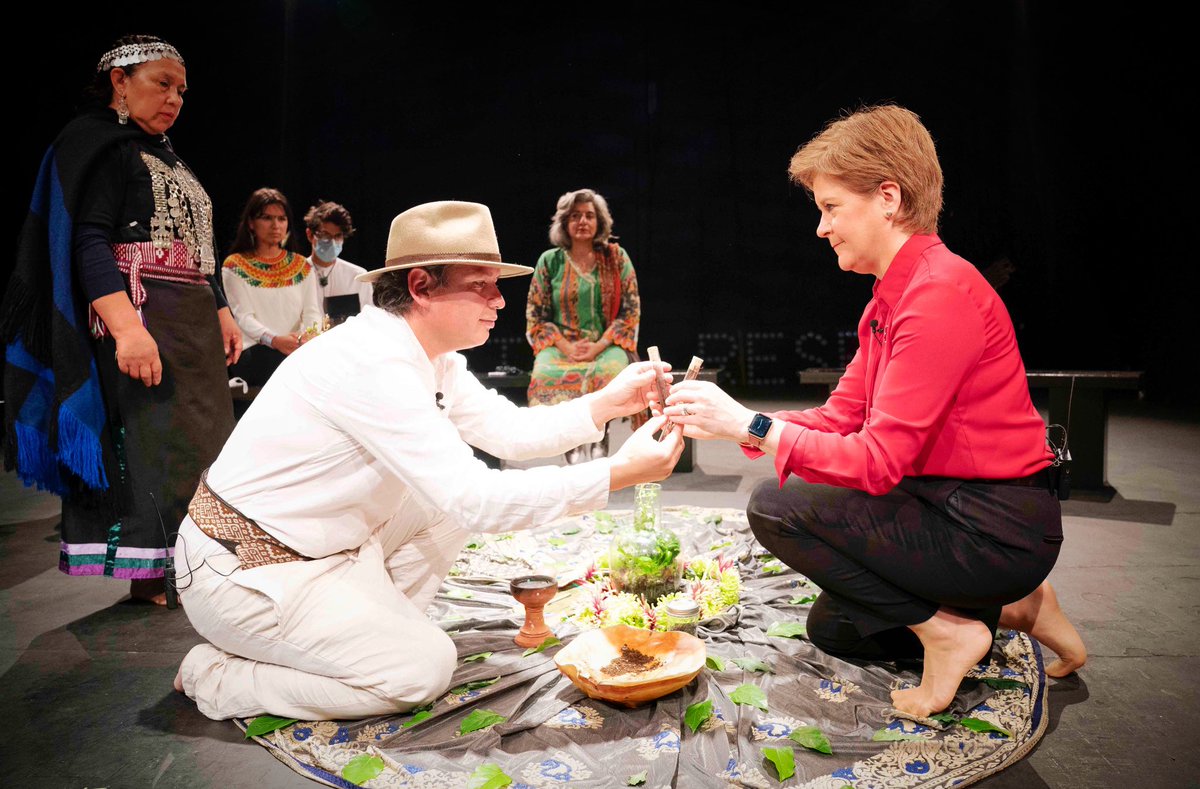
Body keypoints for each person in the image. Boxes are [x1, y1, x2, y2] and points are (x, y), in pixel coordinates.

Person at [173, 201, 682, 720]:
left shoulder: (428, 356)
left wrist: (608, 403)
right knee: (422, 671)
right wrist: (620, 471)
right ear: (420, 286)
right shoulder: (373, 364)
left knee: (438, 507)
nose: (499, 301)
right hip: (247, 572)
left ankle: (359, 639)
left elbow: (507, 430)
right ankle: (220, 674)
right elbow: (480, 502)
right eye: (481, 284)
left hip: (326, 547)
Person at [664, 105, 1085, 718]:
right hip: (945, 505)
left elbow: (879, 462)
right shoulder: (891, 297)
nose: (821, 227)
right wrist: (732, 421)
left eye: (831, 207)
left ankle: (956, 629)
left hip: (993, 524)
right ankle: (1016, 608)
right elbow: (841, 417)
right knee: (834, 629)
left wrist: (750, 427)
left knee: (777, 506)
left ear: (888, 198)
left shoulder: (939, 294)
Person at [1, 35, 239, 605]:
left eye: (181, 89)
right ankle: (154, 572)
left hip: (192, 319)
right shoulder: (102, 146)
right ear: (119, 81)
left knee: (200, 446)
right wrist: (128, 328)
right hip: (144, 313)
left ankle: (196, 566)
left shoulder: (168, 156)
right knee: (152, 444)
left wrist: (224, 311)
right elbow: (88, 241)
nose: (175, 98)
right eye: (162, 83)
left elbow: (195, 246)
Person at [526, 188, 641, 463]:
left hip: (605, 345)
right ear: (564, 222)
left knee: (613, 370)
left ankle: (602, 429)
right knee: (544, 373)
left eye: (589, 215)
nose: (582, 221)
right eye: (575, 215)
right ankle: (570, 438)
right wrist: (565, 345)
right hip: (561, 346)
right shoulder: (549, 261)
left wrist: (597, 346)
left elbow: (630, 310)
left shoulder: (616, 257)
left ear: (599, 222)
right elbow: (536, 314)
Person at [222, 188, 322, 388]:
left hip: (296, 348)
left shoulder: (303, 266)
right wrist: (275, 340)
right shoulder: (235, 265)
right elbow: (244, 317)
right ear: (251, 223)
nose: (275, 225)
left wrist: (305, 338)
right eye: (267, 218)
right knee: (278, 364)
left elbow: (312, 312)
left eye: (281, 219)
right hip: (257, 352)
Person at [303, 199, 373, 319]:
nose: (332, 242)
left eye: (338, 236)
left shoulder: (358, 276)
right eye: (325, 235)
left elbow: (367, 320)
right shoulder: (296, 275)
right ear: (310, 235)